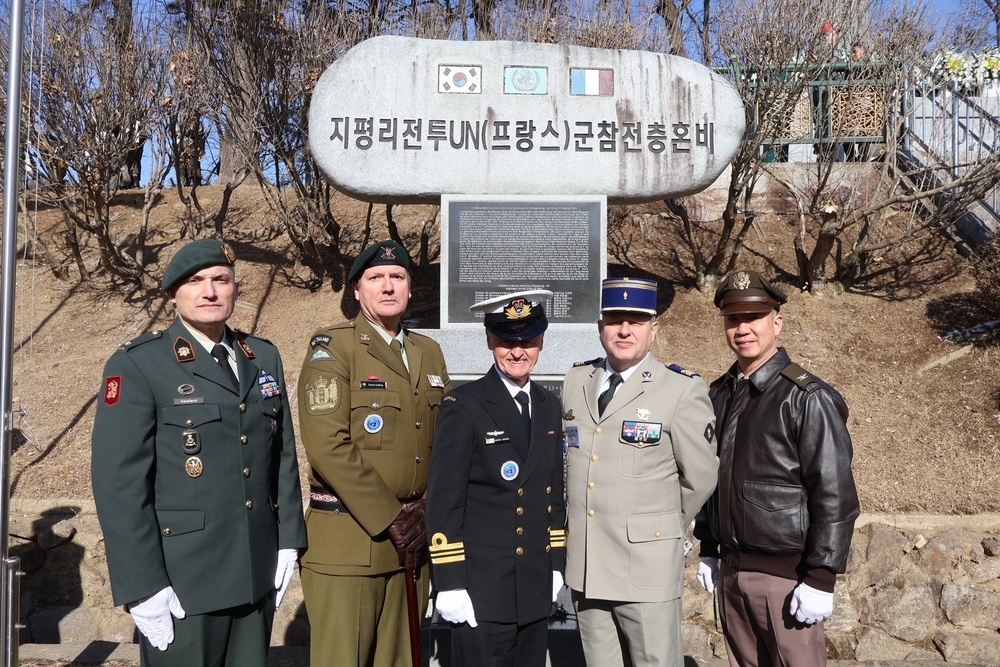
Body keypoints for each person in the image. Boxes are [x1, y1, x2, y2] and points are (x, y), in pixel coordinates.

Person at [91, 239, 307, 666]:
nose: (210, 291)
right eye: (195, 281)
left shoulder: (262, 356)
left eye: (220, 280)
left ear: (235, 290)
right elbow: (120, 484)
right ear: (173, 294)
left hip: (255, 573)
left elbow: (281, 455)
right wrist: (141, 584)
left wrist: (287, 541)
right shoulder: (140, 364)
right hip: (183, 584)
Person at [694, 269, 860, 667]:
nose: (743, 328)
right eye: (733, 319)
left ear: (777, 322)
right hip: (732, 573)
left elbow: (834, 492)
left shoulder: (807, 397)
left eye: (753, 317)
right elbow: (709, 476)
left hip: (788, 579)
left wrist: (822, 576)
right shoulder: (719, 393)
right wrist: (709, 547)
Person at [296, 239, 450, 667]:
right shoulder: (333, 348)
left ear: (409, 288)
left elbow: (445, 443)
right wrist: (391, 516)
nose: (388, 286)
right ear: (357, 290)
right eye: (376, 278)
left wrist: (428, 510)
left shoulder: (429, 353)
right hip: (351, 542)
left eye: (397, 277)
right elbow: (327, 443)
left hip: (413, 544)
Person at [562, 277, 719, 667]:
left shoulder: (680, 390)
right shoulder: (576, 380)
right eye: (615, 319)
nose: (624, 329)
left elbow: (700, 477)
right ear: (601, 327)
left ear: (654, 330)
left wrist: (659, 528)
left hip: (644, 569)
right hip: (587, 566)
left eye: (636, 320)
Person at [426, 290, 566, 667]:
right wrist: (450, 581)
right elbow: (444, 501)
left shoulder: (550, 406)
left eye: (527, 341)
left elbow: (554, 496)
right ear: (490, 340)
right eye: (506, 341)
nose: (517, 351)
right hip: (482, 591)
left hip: (535, 585)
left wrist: (557, 564)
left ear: (541, 342)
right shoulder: (465, 405)